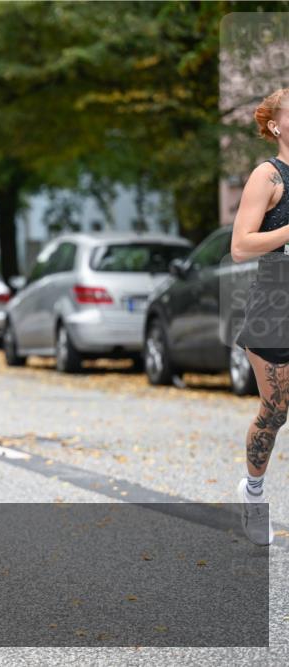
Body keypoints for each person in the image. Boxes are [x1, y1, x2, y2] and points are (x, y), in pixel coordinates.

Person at [231, 87, 289, 546]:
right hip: (276, 303)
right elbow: (240, 246)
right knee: (277, 409)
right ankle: (253, 494)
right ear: (275, 125)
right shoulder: (268, 177)